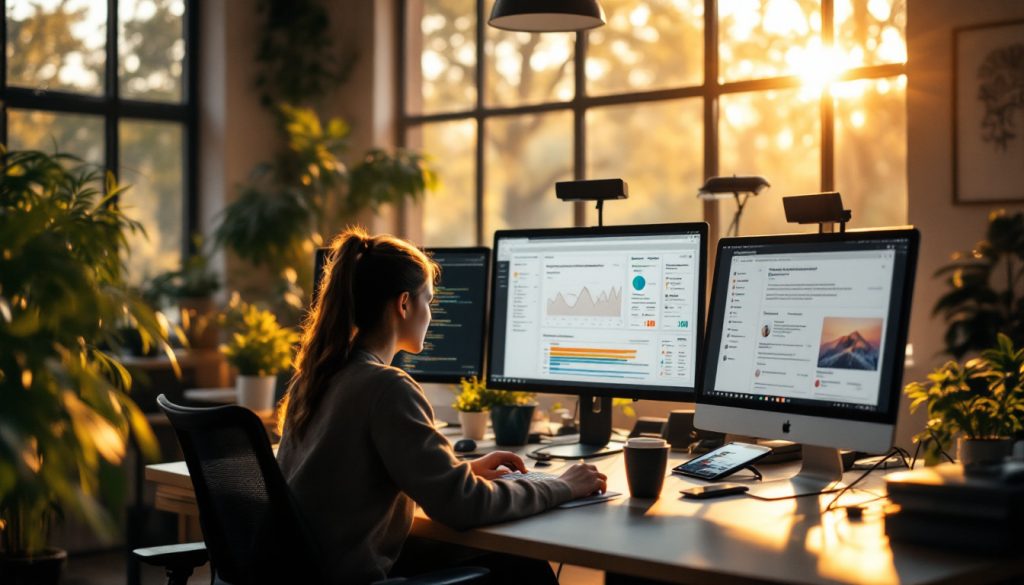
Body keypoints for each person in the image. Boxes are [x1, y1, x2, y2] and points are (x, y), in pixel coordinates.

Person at [276, 228, 607, 584]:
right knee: (522, 565)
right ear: (404, 304)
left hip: (309, 571)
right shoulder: (386, 387)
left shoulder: (316, 378)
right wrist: (564, 486)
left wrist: (463, 471)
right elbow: (463, 507)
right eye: (428, 301)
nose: (430, 314)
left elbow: (357, 477)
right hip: (353, 576)